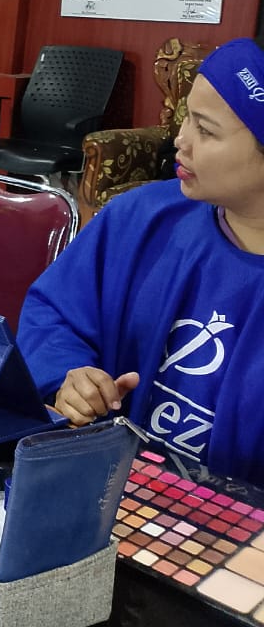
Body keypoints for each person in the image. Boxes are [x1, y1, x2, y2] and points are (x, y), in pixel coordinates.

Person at [18, 37, 264, 483]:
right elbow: (55, 311)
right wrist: (70, 377)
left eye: (206, 131)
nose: (180, 140)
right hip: (105, 487)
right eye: (187, 116)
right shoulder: (142, 217)